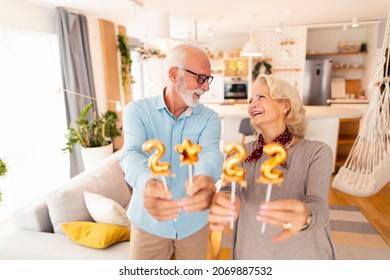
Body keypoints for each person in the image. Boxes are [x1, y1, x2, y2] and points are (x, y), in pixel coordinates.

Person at [208, 74, 337, 259]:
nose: (252, 104)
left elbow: (318, 205)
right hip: (253, 253)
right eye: (250, 99)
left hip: (304, 255)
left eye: (261, 97)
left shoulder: (317, 152)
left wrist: (305, 215)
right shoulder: (239, 153)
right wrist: (225, 200)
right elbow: (230, 189)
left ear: (285, 105)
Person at [120, 44, 223, 260]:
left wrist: (204, 176)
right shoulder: (137, 111)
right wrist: (148, 182)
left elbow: (210, 153)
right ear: (175, 75)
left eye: (208, 79)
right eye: (201, 78)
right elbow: (132, 152)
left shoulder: (209, 118)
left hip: (193, 224)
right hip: (148, 223)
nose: (206, 88)